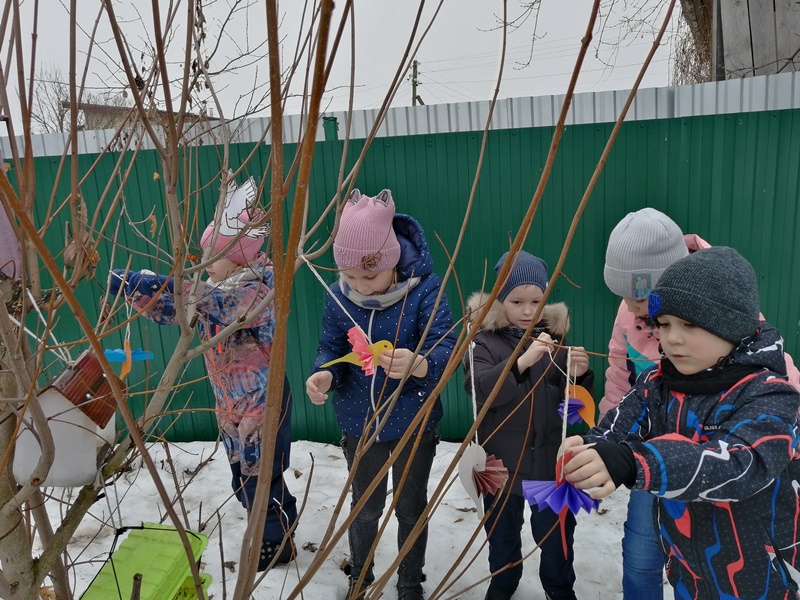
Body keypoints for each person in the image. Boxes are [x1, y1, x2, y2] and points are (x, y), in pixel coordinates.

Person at [563, 246, 800, 600]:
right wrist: (594, 447)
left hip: (760, 578)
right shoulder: (659, 383)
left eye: (689, 324)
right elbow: (622, 423)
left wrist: (636, 462)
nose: (671, 338)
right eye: (665, 324)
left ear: (731, 325)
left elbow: (738, 464)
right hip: (689, 571)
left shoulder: (769, 395)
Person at [109, 216, 298, 572]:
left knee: (261, 477)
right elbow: (177, 311)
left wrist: (165, 283)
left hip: (262, 402)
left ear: (238, 256)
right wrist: (137, 293)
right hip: (228, 403)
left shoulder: (258, 288)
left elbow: (222, 305)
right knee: (241, 477)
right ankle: (274, 522)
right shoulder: (213, 287)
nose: (204, 259)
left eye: (212, 253)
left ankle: (277, 541)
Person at [305, 189, 456, 600]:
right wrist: (323, 375)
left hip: (413, 423)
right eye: (350, 276)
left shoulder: (425, 291)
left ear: (390, 261)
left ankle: (410, 584)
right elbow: (330, 348)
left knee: (410, 509)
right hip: (360, 423)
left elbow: (448, 346)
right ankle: (360, 576)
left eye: (369, 276)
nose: (360, 286)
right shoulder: (339, 296)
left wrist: (421, 364)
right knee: (365, 508)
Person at [463, 250, 594, 600]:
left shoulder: (556, 338)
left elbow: (574, 411)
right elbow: (479, 389)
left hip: (549, 465)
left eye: (536, 301)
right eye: (516, 301)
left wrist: (580, 376)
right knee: (502, 536)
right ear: (498, 299)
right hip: (500, 465)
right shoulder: (483, 340)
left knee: (556, 539)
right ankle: (503, 583)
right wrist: (522, 362)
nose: (527, 310)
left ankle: (559, 589)